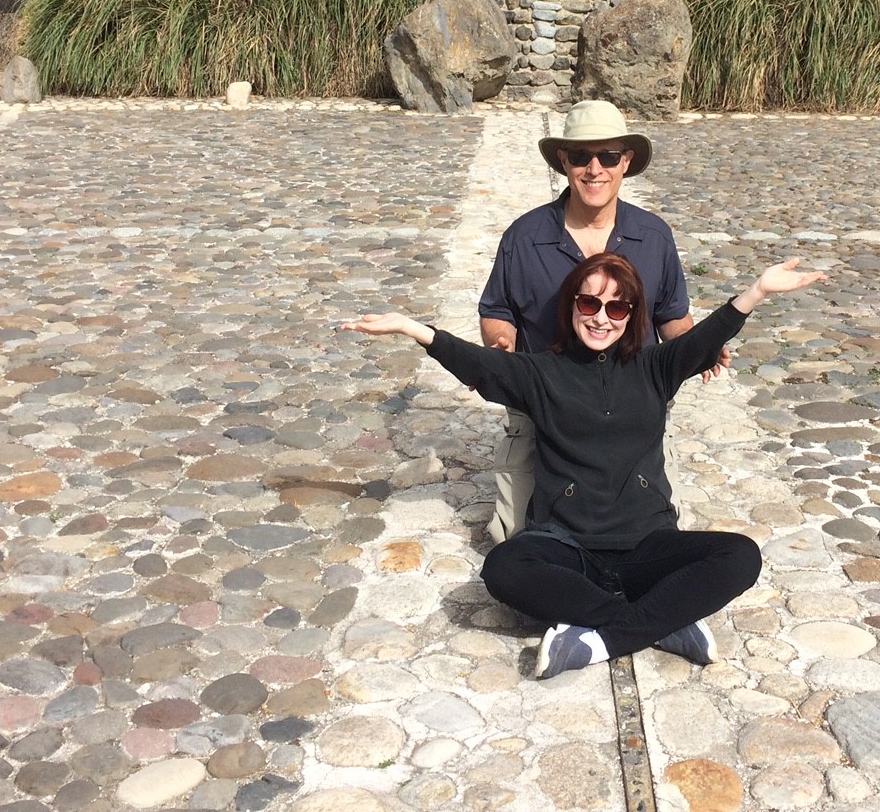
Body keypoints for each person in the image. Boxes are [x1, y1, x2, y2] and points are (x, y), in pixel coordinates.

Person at [342, 251, 826, 679]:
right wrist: (412, 328)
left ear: (631, 314)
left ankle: (599, 639)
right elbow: (478, 364)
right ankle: (663, 623)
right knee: (504, 568)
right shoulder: (540, 373)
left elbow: (704, 340)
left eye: (616, 307)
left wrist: (758, 291)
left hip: (647, 545)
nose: (601, 318)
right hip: (566, 546)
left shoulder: (655, 368)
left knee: (740, 555)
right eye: (589, 303)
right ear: (572, 305)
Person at [478, 100, 728, 544]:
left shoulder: (654, 237)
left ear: (626, 162)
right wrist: (501, 345)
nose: (594, 169)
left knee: (647, 535)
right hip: (547, 404)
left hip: (632, 405)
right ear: (564, 161)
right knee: (515, 540)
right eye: (580, 157)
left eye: (608, 157)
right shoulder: (525, 235)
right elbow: (497, 310)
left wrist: (696, 347)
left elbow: (673, 316)